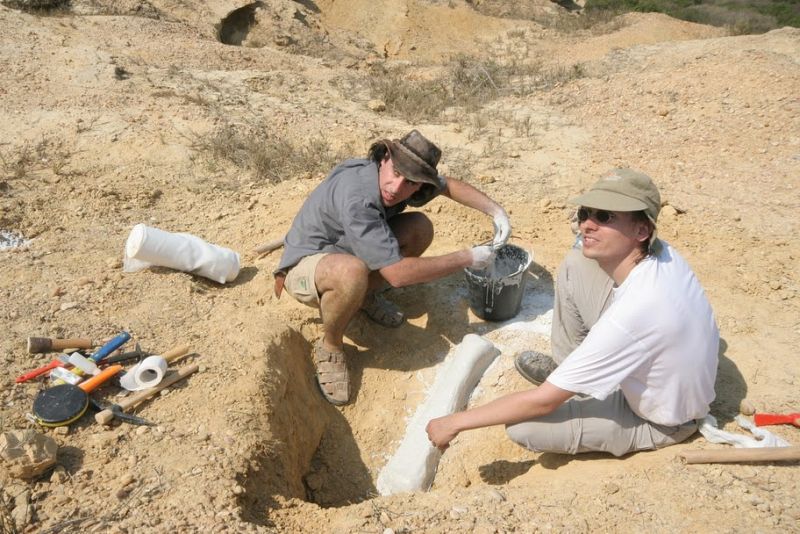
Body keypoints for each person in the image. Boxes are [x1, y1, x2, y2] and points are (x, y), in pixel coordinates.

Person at [426, 169, 719, 457]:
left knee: (522, 426)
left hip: (664, 419)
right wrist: (598, 230)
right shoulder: (662, 255)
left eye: (605, 217)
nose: (586, 225)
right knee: (577, 262)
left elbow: (543, 403)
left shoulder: (633, 314)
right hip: (672, 378)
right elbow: (593, 250)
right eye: (585, 214)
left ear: (642, 230)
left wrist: (453, 422)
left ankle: (578, 385)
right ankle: (574, 376)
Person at [274, 130, 511, 405]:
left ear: (419, 184)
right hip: (305, 265)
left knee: (419, 228)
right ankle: (331, 346)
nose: (396, 188)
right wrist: (467, 257)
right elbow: (398, 276)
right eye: (395, 173)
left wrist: (497, 212)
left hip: (346, 248)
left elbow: (447, 186)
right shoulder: (359, 196)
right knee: (352, 273)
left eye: (410, 182)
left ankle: (362, 296)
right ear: (384, 157)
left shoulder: (396, 180)